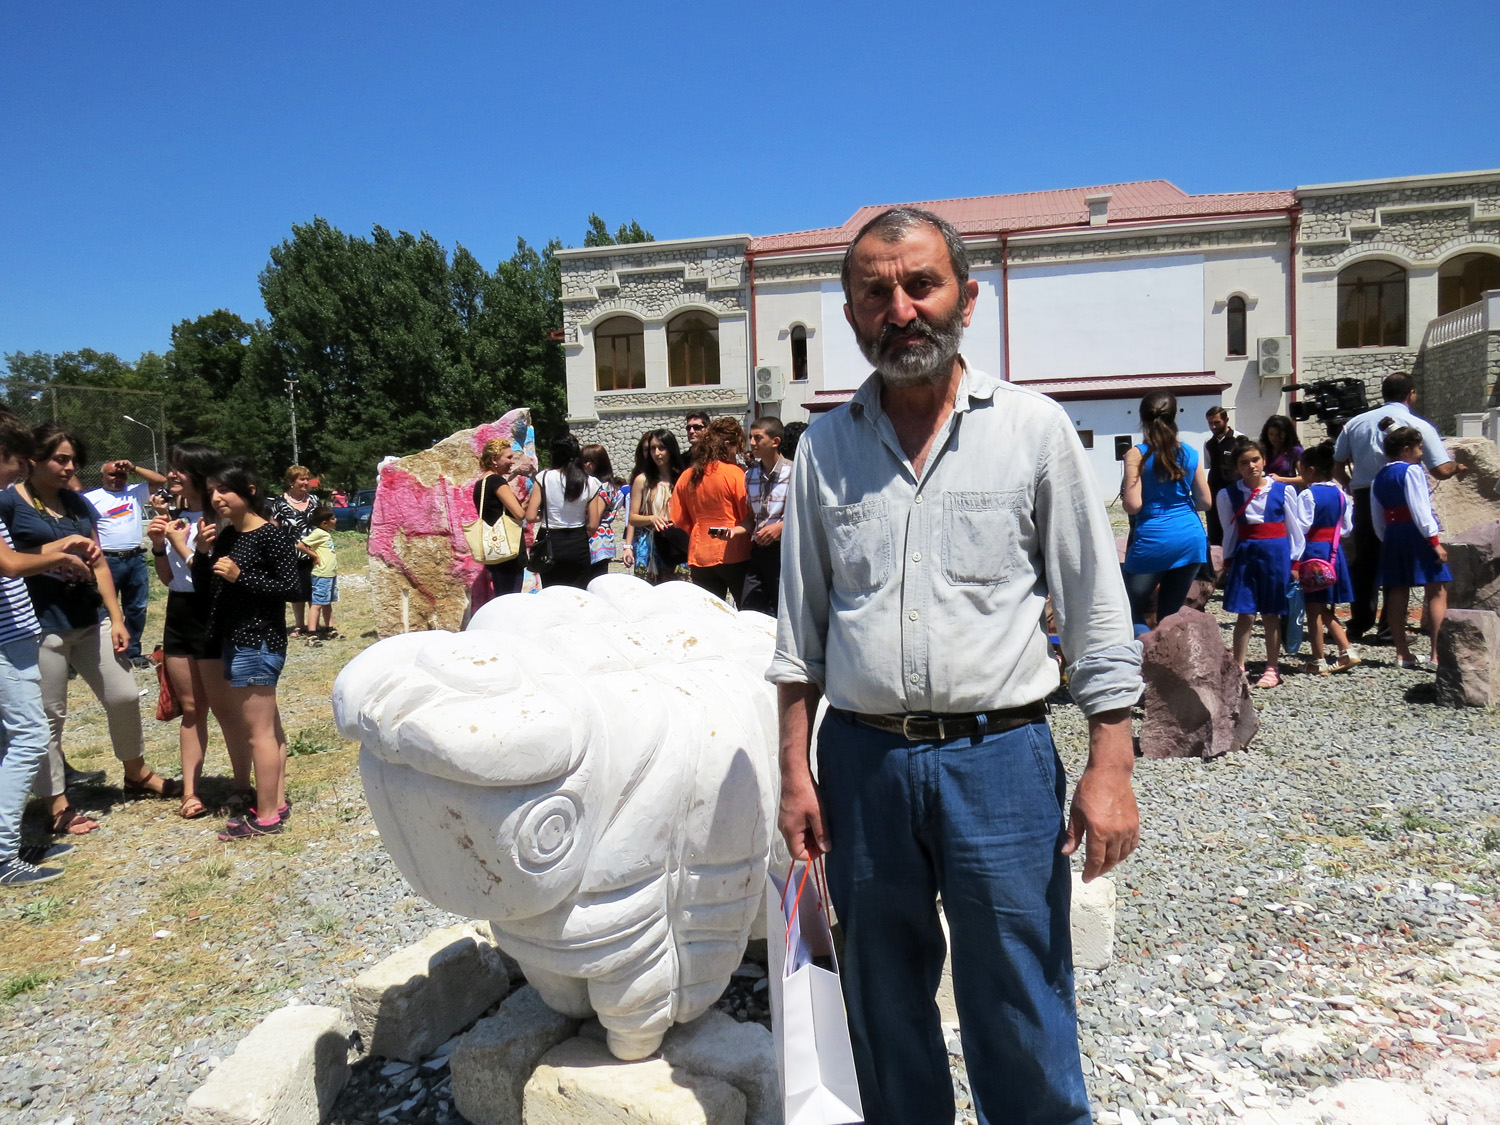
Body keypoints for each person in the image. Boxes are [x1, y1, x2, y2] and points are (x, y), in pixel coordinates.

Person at [772, 207, 1140, 1125]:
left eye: (921, 285)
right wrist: (794, 771)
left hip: (1001, 761)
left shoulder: (1033, 430)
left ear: (966, 298)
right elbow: (799, 634)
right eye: (876, 292)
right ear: (852, 315)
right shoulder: (823, 451)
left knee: (1019, 996)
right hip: (863, 765)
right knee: (884, 1006)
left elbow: (1096, 610)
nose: (902, 309)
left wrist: (1112, 764)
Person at [0, 425, 177, 835]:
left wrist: (116, 618)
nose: (69, 467)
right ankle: (57, 802)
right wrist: (57, 552)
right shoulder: (9, 503)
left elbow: (97, 560)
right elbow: (8, 559)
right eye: (60, 459)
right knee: (49, 716)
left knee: (124, 693)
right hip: (39, 625)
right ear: (33, 460)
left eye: (73, 460)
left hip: (89, 618)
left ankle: (135, 773)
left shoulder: (78, 504)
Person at [0, 416, 99, 884]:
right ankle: (3, 855)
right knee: (31, 736)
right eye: (15, 459)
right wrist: (59, 555)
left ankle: (12, 841)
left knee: (13, 739)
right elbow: (10, 564)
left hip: (17, 636)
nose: (18, 468)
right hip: (7, 644)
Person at [196, 461, 301, 839]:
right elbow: (211, 590)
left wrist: (244, 577)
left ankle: (268, 816)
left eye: (224, 489)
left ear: (250, 491)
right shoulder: (228, 537)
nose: (216, 498)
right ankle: (277, 801)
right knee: (268, 727)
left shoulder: (272, 536)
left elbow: (292, 588)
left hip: (258, 640)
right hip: (234, 638)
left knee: (258, 733)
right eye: (212, 491)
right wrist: (202, 554)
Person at [147, 442, 244, 820]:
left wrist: (181, 545)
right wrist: (158, 546)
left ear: (200, 475)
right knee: (190, 708)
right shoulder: (174, 518)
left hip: (212, 613)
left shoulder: (217, 517)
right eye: (171, 467)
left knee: (224, 709)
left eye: (179, 468)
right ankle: (191, 792)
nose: (170, 474)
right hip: (179, 614)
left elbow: (216, 577)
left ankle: (240, 786)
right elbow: (170, 579)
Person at [1333, 372, 1458, 642]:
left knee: (1365, 560)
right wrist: (1457, 467)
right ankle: (1390, 627)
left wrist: (1352, 487)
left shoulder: (1355, 423)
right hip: (1403, 498)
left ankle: (1358, 622)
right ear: (1410, 394)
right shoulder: (1417, 425)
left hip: (1367, 494)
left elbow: (1337, 464)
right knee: (1397, 564)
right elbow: (1440, 470)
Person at [1217, 437, 1304, 688]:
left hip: (1275, 555)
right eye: (1244, 462)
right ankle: (1238, 666)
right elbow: (1229, 530)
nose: (1251, 466)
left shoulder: (1283, 490)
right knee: (1245, 612)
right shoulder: (1229, 494)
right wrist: (1229, 558)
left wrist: (1295, 562)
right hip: (1246, 555)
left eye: (1255, 460)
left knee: (1270, 613)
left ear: (1264, 461)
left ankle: (1272, 667)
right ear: (1237, 467)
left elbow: (1294, 529)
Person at [1120, 392, 1210, 632]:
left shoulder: (1137, 454)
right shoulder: (1190, 453)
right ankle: (1166, 663)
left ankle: (1145, 660)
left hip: (1154, 539)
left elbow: (1132, 505)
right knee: (1169, 614)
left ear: (1142, 418)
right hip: (1191, 538)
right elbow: (1205, 501)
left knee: (1129, 608)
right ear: (1174, 416)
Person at [1372, 422, 1451, 670]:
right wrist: (1434, 540)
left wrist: (1387, 537)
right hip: (1417, 533)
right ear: (1406, 450)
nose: (1421, 453)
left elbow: (1377, 517)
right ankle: (1436, 654)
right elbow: (1421, 509)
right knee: (1436, 589)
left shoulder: (1379, 477)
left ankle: (1401, 652)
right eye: (1419, 448)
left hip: (1394, 534)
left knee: (1397, 590)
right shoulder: (1412, 471)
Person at [84, 458, 167, 668]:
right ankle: (100, 652)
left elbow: (160, 481)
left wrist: (133, 467)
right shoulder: (91, 498)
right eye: (112, 474)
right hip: (107, 560)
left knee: (137, 607)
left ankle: (132, 652)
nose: (117, 479)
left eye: (121, 475)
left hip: (135, 558)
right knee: (103, 608)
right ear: (102, 475)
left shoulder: (134, 492)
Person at [1293, 443, 1359, 675]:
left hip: (1312, 553)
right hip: (1333, 552)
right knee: (1321, 606)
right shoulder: (1341, 494)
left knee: (1313, 608)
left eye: (1300, 468)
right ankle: (1344, 650)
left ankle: (1320, 659)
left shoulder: (1308, 494)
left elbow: (1301, 526)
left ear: (1310, 469)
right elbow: (1347, 528)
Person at [670, 417, 751, 603]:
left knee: (711, 614)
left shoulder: (687, 475)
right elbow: (746, 514)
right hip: (735, 551)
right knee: (746, 610)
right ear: (729, 444)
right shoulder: (735, 474)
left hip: (700, 553)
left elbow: (677, 517)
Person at [523, 434, 603, 590]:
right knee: (578, 591)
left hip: (551, 541)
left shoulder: (544, 477)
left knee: (553, 591)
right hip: (578, 541)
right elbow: (593, 524)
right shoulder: (590, 481)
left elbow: (531, 516)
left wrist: (545, 515)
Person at [740, 417, 792, 615]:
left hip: (784, 552)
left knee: (783, 610)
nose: (752, 443)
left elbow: (806, 515)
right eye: (750, 437)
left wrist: (780, 527)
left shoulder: (794, 472)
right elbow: (750, 517)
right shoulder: (749, 475)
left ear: (775, 441)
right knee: (750, 608)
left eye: (757, 438)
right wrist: (732, 532)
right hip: (758, 550)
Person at [622, 429, 688, 585]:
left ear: (671, 449)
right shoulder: (642, 480)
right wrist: (651, 518)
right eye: (653, 448)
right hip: (650, 545)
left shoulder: (682, 477)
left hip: (676, 542)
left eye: (662, 448)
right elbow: (632, 517)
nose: (657, 453)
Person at [471, 439, 529, 596]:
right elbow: (519, 514)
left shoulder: (480, 483)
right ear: (494, 459)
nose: (512, 462)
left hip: (494, 550)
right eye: (508, 457)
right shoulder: (497, 481)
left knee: (501, 595)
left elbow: (495, 512)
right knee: (511, 599)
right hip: (509, 551)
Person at [268, 466, 318, 636]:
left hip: (315, 552)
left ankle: (314, 624)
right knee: (297, 589)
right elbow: (273, 528)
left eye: (307, 479)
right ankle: (299, 624)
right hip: (291, 553)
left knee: (315, 587)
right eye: (301, 479)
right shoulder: (279, 503)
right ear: (291, 482)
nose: (306, 482)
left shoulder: (314, 500)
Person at [581, 444, 625, 584]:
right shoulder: (602, 484)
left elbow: (596, 515)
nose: (584, 464)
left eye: (588, 461)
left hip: (596, 540)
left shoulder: (603, 486)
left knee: (594, 583)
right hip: (600, 539)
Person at [1202, 406, 1238, 547]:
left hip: (1234, 491)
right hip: (1215, 491)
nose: (1213, 426)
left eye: (1216, 422)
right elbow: (1209, 465)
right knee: (1215, 531)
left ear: (1226, 420)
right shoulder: (1209, 443)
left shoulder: (1239, 439)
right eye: (1210, 423)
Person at [304, 507, 339, 638]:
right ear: (324, 523)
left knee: (327, 602)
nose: (336, 520)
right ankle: (312, 633)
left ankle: (329, 628)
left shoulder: (326, 534)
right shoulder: (318, 533)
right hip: (322, 574)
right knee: (317, 603)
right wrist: (315, 556)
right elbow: (301, 545)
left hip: (330, 574)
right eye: (333, 518)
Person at [1260, 415, 1304, 485]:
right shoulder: (1263, 449)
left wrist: (1281, 479)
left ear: (1287, 434)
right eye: (1271, 434)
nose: (1274, 438)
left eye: (1278, 434)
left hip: (1286, 490)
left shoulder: (1295, 450)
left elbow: (1305, 479)